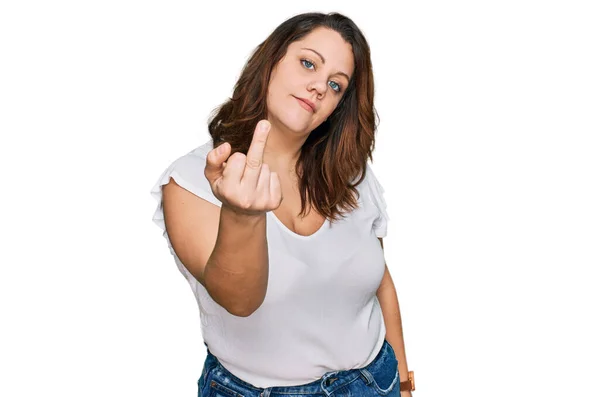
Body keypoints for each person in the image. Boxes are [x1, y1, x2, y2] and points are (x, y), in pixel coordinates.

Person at [150, 11, 415, 397]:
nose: (319, 87)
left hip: (374, 381)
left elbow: (380, 282)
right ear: (272, 60)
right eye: (308, 63)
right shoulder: (190, 180)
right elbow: (238, 301)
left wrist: (405, 384)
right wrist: (243, 215)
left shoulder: (349, 172)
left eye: (336, 85)